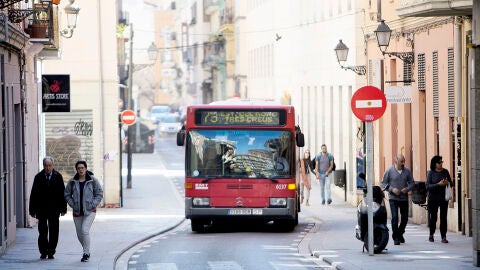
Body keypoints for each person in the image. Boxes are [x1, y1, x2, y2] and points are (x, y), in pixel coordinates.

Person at [64, 160, 104, 262]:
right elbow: (67, 194)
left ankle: (85, 253)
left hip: (90, 211)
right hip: (77, 211)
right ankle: (87, 250)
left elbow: (99, 193)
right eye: (79, 168)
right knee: (79, 234)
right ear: (76, 170)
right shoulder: (73, 181)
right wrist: (72, 204)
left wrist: (93, 204)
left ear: (86, 169)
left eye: (82, 168)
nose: (81, 170)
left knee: (84, 230)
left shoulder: (92, 180)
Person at [29, 156, 67, 260]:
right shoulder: (38, 177)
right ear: (43, 166)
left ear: (53, 165)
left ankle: (51, 251)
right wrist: (32, 210)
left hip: (54, 209)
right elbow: (34, 194)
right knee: (42, 232)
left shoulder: (58, 176)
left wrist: (63, 209)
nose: (48, 168)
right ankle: (43, 251)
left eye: (50, 165)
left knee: (54, 231)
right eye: (46, 166)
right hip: (41, 209)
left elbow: (62, 193)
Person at [381, 154, 415, 245]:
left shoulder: (407, 171)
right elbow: (383, 184)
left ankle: (399, 233)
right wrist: (392, 189)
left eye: (404, 161)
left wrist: (407, 189)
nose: (403, 163)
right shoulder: (389, 171)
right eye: (401, 161)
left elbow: (412, 183)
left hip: (404, 198)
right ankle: (396, 237)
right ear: (395, 161)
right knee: (395, 218)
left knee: (405, 219)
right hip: (393, 198)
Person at [426, 155, 452, 243]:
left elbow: (451, 183)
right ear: (434, 164)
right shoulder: (430, 173)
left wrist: (447, 182)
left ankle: (443, 236)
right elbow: (428, 186)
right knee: (433, 217)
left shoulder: (445, 171)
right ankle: (431, 234)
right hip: (433, 199)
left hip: (444, 198)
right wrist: (438, 184)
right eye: (439, 162)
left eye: (442, 162)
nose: (441, 164)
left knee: (443, 218)